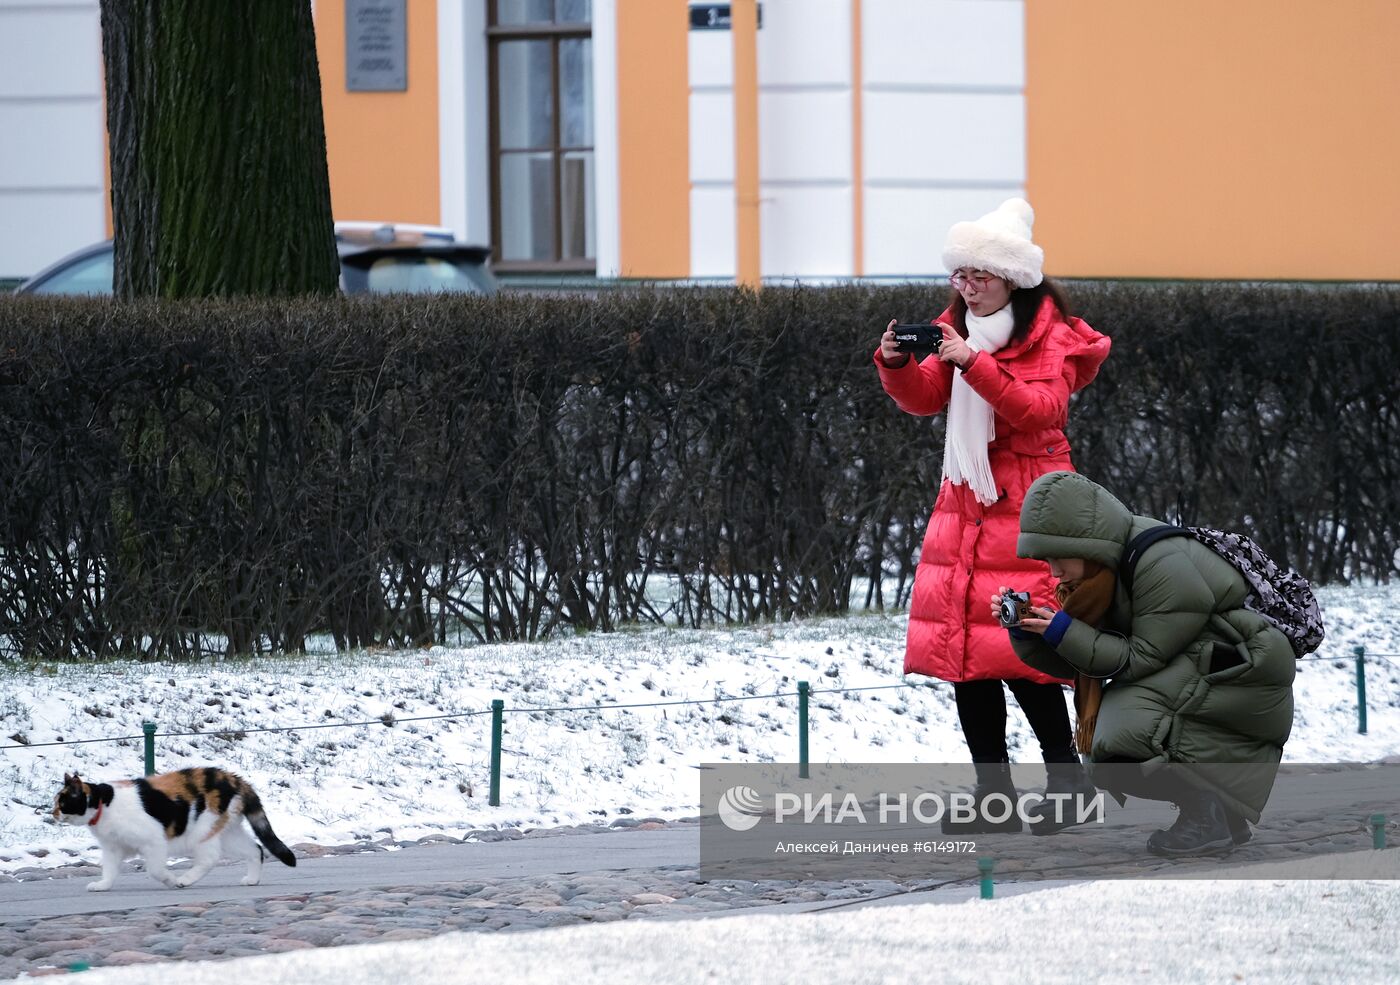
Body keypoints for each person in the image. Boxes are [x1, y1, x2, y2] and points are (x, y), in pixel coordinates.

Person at [874, 198, 1111, 833]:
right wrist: (896, 364)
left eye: (979, 275)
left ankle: (1067, 784)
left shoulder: (1051, 337)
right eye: (960, 275)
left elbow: (1040, 411)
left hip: (1031, 507)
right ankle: (993, 796)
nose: (967, 287)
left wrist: (971, 363)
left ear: (1014, 278)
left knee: (1024, 646)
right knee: (964, 654)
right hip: (966, 502)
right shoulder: (958, 329)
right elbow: (927, 399)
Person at [1003, 470, 1296, 855]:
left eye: (1059, 557)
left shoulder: (1158, 562)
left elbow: (1139, 657)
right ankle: (1219, 812)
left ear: (1086, 543)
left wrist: (1062, 630)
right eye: (1046, 559)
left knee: (1120, 741)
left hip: (1243, 667)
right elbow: (1086, 663)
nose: (1054, 571)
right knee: (1109, 750)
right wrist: (1029, 631)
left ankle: (1206, 813)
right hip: (1203, 665)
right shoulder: (1102, 575)